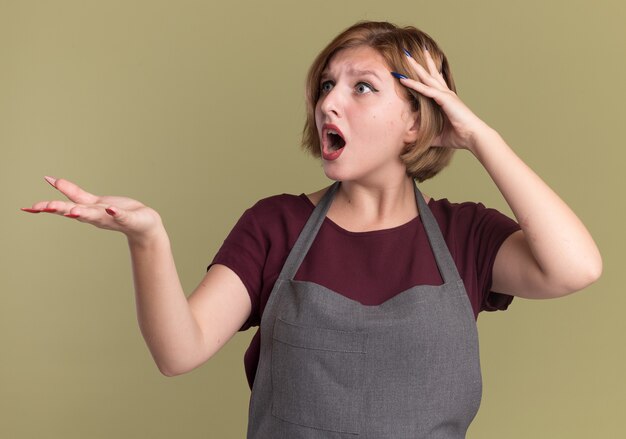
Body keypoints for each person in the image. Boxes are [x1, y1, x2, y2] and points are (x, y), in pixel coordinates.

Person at [23, 21, 601, 438]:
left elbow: (576, 267)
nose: (329, 103)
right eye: (326, 85)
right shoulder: (276, 224)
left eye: (362, 87)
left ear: (416, 119)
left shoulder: (465, 235)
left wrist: (479, 137)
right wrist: (147, 237)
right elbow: (179, 351)